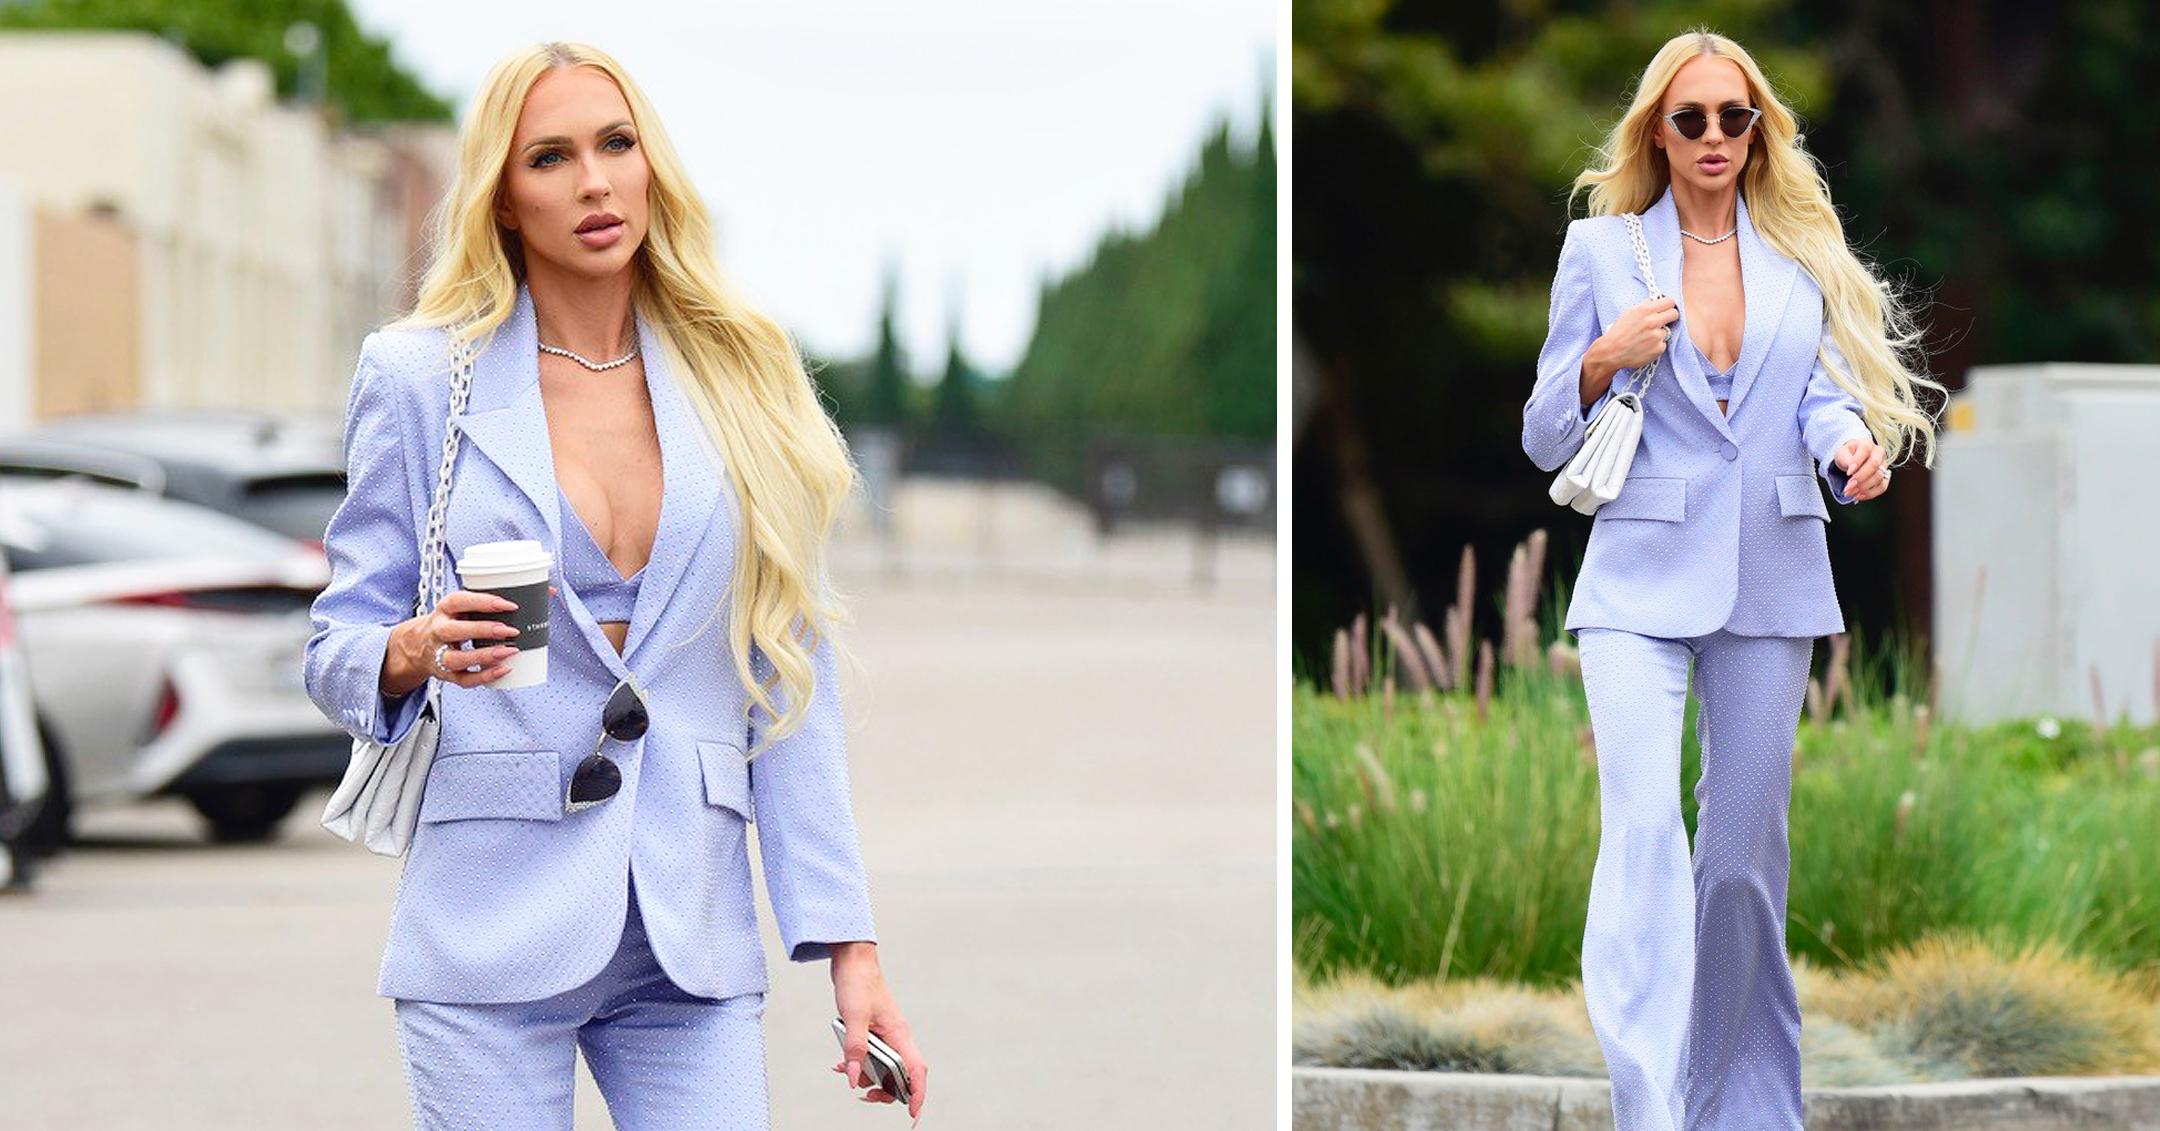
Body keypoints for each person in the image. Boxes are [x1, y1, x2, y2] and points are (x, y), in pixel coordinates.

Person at [302, 41, 927, 1128]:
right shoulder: (418, 376)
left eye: (616, 145)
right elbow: (335, 645)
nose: (593, 182)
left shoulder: (739, 376)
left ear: (651, 166)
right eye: (550, 158)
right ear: (503, 201)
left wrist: (850, 948)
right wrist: (414, 648)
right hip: (489, 927)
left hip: (687, 933)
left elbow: (789, 679)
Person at [1520, 28, 1942, 1131]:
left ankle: (1746, 1109)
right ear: (1657, 131)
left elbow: (1822, 397)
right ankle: (1651, 1109)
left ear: (1762, 132)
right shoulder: (1604, 252)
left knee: (1744, 861)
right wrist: (1602, 357)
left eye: (1735, 116)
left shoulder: (1801, 255)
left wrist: (1850, 449)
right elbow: (1539, 433)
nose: (1715, 136)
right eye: (1692, 117)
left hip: (1773, 571)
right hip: (1638, 582)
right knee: (1647, 830)